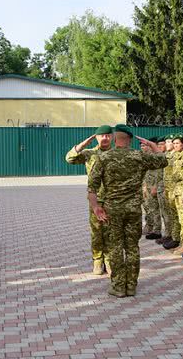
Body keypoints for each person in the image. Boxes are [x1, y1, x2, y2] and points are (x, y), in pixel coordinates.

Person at [87, 125, 167, 297]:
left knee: (115, 247)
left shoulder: (104, 157)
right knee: (132, 247)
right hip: (133, 210)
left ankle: (118, 286)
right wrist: (153, 146)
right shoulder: (140, 156)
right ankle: (131, 285)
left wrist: (95, 207)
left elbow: (91, 188)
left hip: (112, 210)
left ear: (115, 139)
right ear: (130, 140)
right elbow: (163, 160)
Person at [65, 125, 113, 275]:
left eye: (107, 135)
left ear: (112, 137)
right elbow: (69, 158)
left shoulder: (117, 153)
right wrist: (84, 144)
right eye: (101, 136)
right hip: (96, 199)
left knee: (111, 231)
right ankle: (97, 261)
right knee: (97, 231)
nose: (104, 138)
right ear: (96, 137)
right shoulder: (89, 153)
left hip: (113, 198)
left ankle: (109, 261)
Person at [170, 132, 183, 254]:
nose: (175, 145)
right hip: (177, 191)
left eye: (177, 143)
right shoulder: (176, 156)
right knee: (180, 219)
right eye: (174, 143)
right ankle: (182, 242)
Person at [160, 134, 180, 249]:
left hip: (177, 191)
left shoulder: (177, 156)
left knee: (180, 217)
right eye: (167, 142)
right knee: (170, 215)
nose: (169, 144)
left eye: (170, 142)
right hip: (169, 189)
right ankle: (172, 235)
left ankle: (179, 239)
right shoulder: (168, 156)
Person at [142, 136, 163, 240]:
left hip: (155, 186)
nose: (144, 147)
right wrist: (145, 186)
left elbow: (159, 173)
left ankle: (157, 230)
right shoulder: (148, 156)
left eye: (147, 145)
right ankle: (151, 226)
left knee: (155, 209)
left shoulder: (157, 157)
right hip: (148, 185)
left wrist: (155, 186)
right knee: (149, 208)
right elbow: (146, 173)